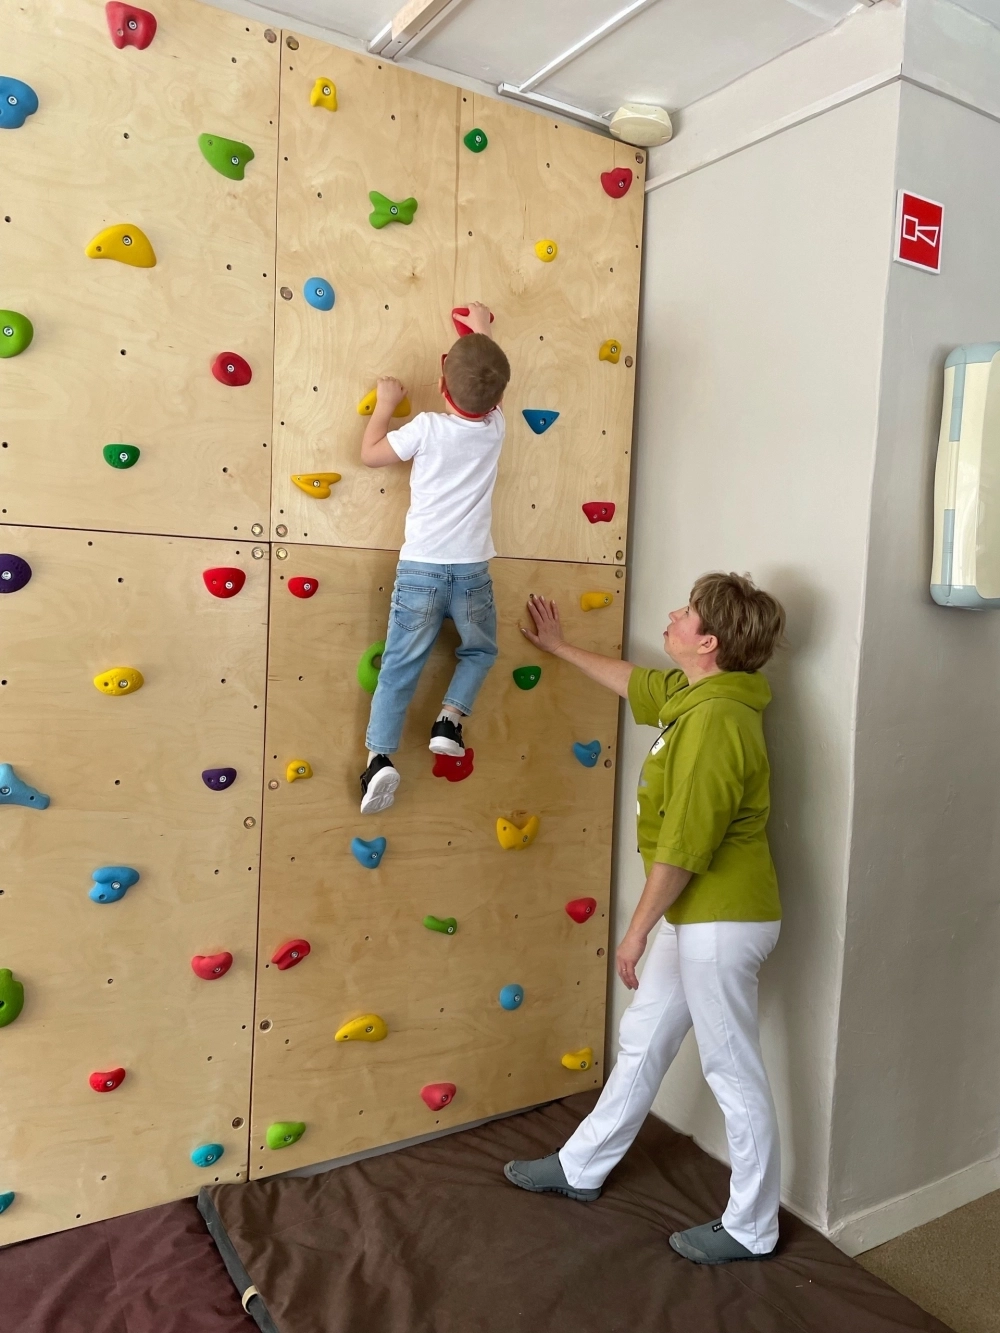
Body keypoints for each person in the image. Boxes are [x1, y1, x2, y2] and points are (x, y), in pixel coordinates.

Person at [504, 572, 787, 1265]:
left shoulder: (718, 721)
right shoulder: (699, 695)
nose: (672, 615)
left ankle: (753, 1226)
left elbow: (686, 845)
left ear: (709, 642)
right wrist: (559, 647)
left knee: (731, 1069)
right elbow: (637, 683)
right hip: (698, 915)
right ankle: (582, 1165)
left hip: (722, 919)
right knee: (644, 1037)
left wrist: (635, 932)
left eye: (686, 612)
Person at [358, 303, 511, 814]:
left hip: (421, 570)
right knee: (480, 651)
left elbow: (371, 454)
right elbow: (490, 383)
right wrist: (482, 331)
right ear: (498, 398)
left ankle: (379, 760)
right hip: (471, 572)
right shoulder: (496, 428)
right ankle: (449, 718)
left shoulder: (424, 427)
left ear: (442, 385)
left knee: (400, 667)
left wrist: (385, 404)